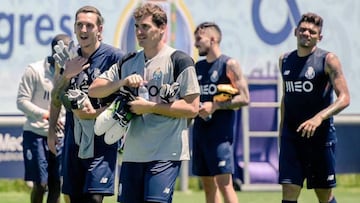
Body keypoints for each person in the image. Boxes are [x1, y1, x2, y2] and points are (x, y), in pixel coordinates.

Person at [88, 3, 200, 203]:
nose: (139, 32)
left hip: (166, 152)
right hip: (133, 154)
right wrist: (122, 82)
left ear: (162, 28)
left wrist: (151, 107)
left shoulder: (180, 60)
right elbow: (94, 89)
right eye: (137, 26)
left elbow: (192, 108)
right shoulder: (128, 61)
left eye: (145, 27)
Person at [47, 5, 124, 203]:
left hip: (103, 140)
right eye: (79, 25)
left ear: (100, 29)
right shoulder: (68, 57)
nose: (83, 30)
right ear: (74, 28)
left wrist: (97, 113)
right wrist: (67, 74)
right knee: (74, 198)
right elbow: (56, 97)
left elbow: (126, 98)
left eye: (89, 25)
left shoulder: (115, 57)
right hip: (74, 140)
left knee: (94, 199)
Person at [278, 12, 350, 203]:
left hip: (320, 138)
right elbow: (286, 99)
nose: (306, 33)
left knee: (323, 194)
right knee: (289, 189)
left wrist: (319, 117)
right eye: (303, 29)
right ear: (295, 32)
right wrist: (281, 134)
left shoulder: (328, 60)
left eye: (312, 31)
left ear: (319, 37)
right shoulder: (284, 60)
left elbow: (344, 98)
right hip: (291, 138)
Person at [191, 22, 250, 203]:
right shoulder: (197, 67)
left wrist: (214, 106)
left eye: (199, 39)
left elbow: (245, 98)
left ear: (213, 39)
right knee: (208, 187)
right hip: (200, 134)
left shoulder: (229, 64)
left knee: (225, 185)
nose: (195, 44)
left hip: (220, 136)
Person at [16, 34, 71, 203]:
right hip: (36, 134)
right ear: (56, 50)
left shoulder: (71, 73)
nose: (71, 53)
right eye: (67, 49)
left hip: (59, 137)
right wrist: (45, 114)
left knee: (56, 185)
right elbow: (21, 101)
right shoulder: (34, 70)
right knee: (41, 184)